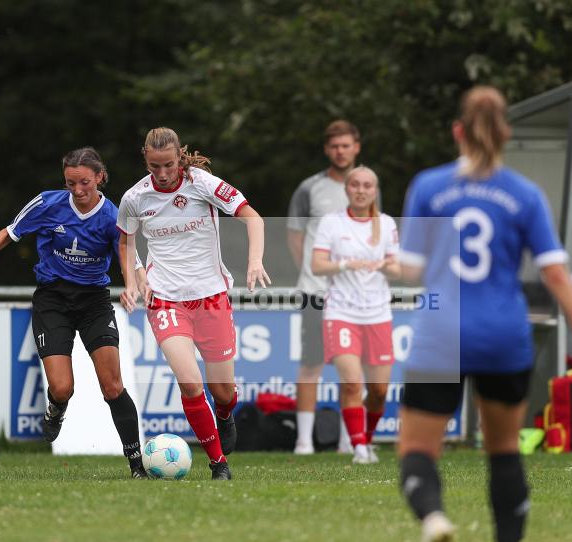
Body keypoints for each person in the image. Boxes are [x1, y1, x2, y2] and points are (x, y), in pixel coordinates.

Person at [397, 86, 572, 542]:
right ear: (506, 134)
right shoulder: (524, 194)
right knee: (503, 448)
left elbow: (409, 270)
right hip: (503, 336)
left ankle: (433, 519)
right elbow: (557, 274)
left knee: (417, 449)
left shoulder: (429, 186)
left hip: (440, 336)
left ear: (458, 131)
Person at [0, 148, 147, 478]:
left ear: (100, 177)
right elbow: (9, 231)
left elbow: (127, 252)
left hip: (93, 302)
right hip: (52, 300)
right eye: (70, 183)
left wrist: (133, 285)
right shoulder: (48, 203)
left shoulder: (112, 216)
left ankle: (137, 465)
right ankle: (56, 410)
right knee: (61, 388)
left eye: (85, 183)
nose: (77, 190)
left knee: (113, 386)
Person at [117, 127, 270, 481]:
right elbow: (126, 243)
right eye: (154, 166)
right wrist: (135, 277)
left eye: (169, 164)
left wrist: (255, 261)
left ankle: (226, 413)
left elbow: (253, 217)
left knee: (223, 391)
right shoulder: (135, 197)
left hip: (212, 297)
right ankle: (219, 465)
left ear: (179, 158)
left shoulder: (202, 183)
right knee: (189, 383)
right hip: (166, 300)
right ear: (145, 159)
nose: (163, 173)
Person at [311, 166, 400, 464]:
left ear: (375, 191)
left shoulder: (386, 224)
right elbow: (317, 265)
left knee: (379, 391)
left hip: (378, 315)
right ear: (347, 189)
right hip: (341, 313)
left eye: (367, 186)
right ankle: (358, 447)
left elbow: (397, 268)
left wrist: (384, 266)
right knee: (351, 383)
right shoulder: (331, 224)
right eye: (356, 185)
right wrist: (346, 264)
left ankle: (367, 440)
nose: (361, 190)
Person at [287, 120, 362, 455]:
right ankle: (304, 442)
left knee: (352, 365)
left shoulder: (366, 186)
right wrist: (312, 270)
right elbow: (295, 236)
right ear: (326, 149)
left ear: (356, 147)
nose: (340, 151)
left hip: (355, 293)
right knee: (312, 363)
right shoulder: (309, 189)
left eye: (346, 145)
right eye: (334, 146)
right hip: (316, 291)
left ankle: (349, 440)